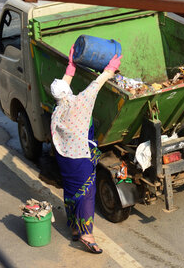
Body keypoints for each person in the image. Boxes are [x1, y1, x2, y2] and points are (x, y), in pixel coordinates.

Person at [50, 44, 122, 254]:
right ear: (67, 93)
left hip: (64, 157)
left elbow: (64, 85)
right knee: (86, 193)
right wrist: (111, 67)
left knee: (71, 191)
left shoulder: (58, 108)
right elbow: (97, 84)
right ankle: (86, 234)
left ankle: (74, 228)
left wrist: (71, 64)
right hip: (79, 157)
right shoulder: (79, 104)